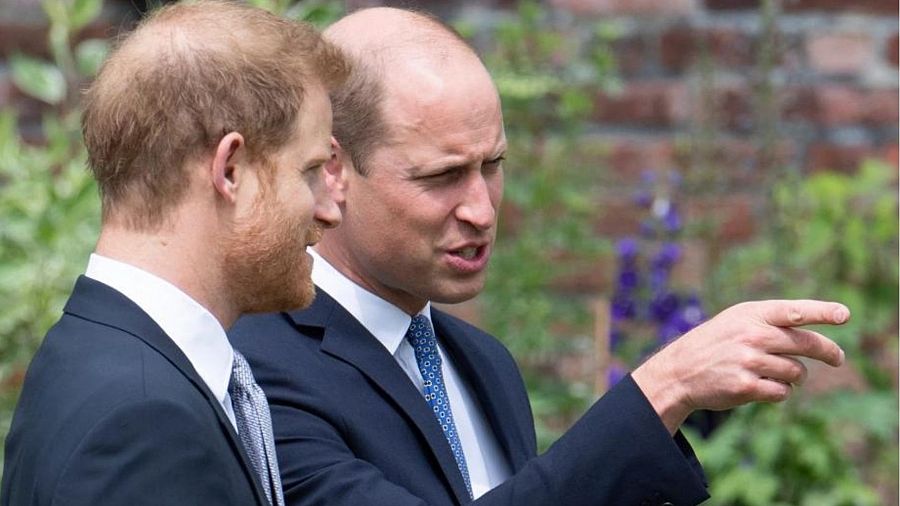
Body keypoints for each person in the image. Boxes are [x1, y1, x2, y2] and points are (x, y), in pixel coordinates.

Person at [230, 7, 849, 506]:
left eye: (492, 166)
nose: (481, 208)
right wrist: (663, 389)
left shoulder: (481, 363)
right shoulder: (257, 364)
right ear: (333, 171)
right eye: (442, 176)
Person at [1, 2, 347, 505]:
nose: (329, 211)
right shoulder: (142, 420)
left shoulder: (99, 357)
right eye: (309, 171)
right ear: (230, 169)